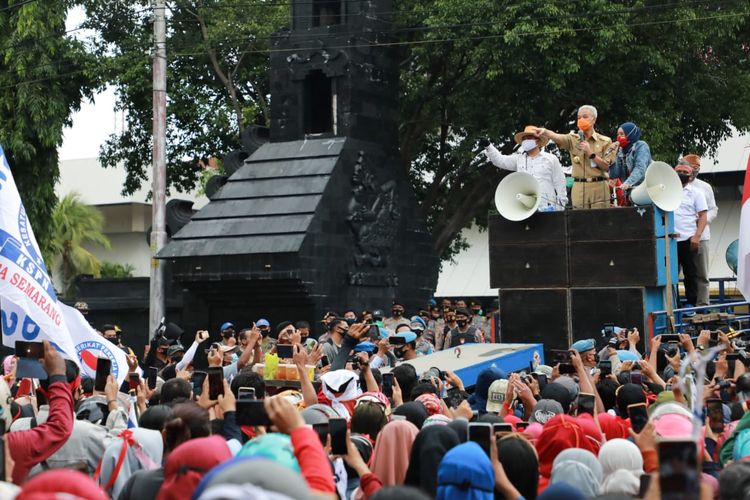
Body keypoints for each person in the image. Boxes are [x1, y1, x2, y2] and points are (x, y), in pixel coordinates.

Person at [537, 105, 618, 209]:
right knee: (579, 221)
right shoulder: (573, 139)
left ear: (594, 119)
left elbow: (607, 167)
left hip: (599, 185)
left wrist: (591, 154)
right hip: (579, 186)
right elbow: (557, 136)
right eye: (579, 118)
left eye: (585, 117)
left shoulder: (605, 141)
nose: (581, 120)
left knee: (600, 221)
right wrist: (545, 131)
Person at [480, 125, 568, 211]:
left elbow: (560, 182)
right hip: (526, 206)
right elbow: (500, 160)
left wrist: (561, 205)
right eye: (524, 139)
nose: (525, 141)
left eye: (529, 138)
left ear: (537, 141)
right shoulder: (518, 159)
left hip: (547, 206)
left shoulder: (551, 159)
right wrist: (488, 146)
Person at [681, 154, 717, 306]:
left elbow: (713, 209)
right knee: (683, 273)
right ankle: (681, 305)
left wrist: (702, 220)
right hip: (682, 236)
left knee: (701, 273)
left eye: (697, 168)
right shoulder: (674, 185)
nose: (694, 170)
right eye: (691, 167)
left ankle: (702, 305)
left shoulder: (704, 187)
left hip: (701, 236)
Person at [673, 161, 708, 307]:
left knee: (691, 273)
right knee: (671, 275)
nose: (681, 175)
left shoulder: (696, 193)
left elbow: (703, 216)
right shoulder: (665, 190)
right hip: (670, 240)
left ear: (691, 176)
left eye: (685, 172)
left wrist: (697, 236)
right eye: (678, 171)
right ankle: (674, 304)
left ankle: (691, 304)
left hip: (688, 239)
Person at [608, 121, 652, 194]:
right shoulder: (621, 151)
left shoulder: (641, 146)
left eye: (621, 134)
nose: (619, 137)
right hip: (630, 193)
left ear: (630, 134)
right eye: (618, 134)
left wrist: (628, 183)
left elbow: (640, 168)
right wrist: (612, 158)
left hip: (645, 190)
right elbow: (614, 175)